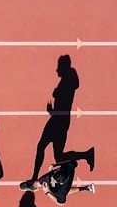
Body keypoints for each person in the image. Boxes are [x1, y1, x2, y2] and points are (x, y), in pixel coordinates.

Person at [19, 55, 94, 189]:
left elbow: (64, 98)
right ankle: (86, 154)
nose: (57, 70)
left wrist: (53, 108)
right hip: (60, 119)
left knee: (42, 146)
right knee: (58, 156)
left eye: (59, 66)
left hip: (58, 121)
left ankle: (34, 179)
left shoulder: (67, 80)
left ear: (64, 67)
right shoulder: (68, 80)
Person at [21, 160, 95, 204]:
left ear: (58, 182)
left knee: (38, 183)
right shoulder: (70, 167)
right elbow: (72, 161)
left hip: (56, 189)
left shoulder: (61, 192)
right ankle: (87, 188)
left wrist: (47, 192)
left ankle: (33, 187)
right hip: (63, 186)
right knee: (66, 191)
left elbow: (60, 203)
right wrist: (56, 165)